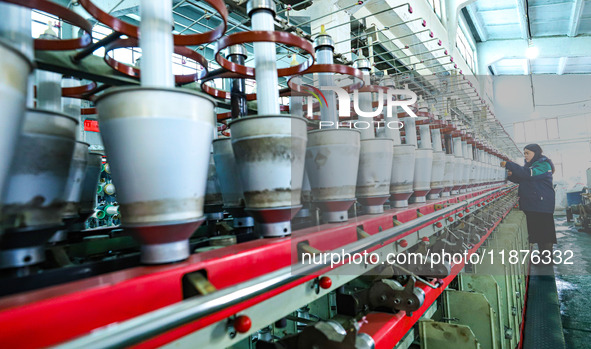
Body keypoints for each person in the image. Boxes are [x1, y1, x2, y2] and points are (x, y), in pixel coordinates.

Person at [500, 144, 556, 255]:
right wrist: (510, 175)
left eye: (527, 153)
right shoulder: (531, 165)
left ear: (536, 153)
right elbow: (523, 179)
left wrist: (509, 164)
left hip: (542, 205)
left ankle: (546, 259)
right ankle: (542, 256)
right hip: (534, 204)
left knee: (545, 234)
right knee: (538, 233)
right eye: (524, 153)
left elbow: (528, 174)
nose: (525, 155)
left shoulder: (544, 165)